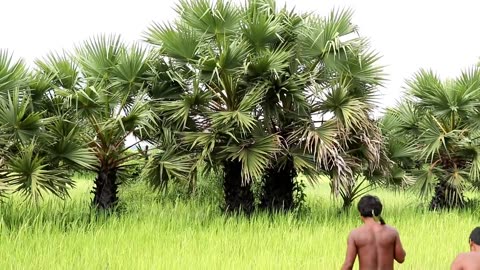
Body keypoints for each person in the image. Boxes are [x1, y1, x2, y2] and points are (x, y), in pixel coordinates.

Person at [341, 195, 406, 270]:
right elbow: (401, 258)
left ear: (360, 213)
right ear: (378, 212)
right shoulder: (392, 232)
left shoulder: (355, 234)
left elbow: (348, 265)